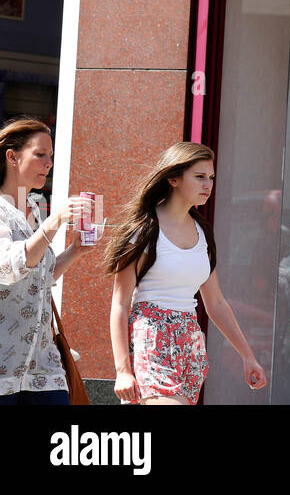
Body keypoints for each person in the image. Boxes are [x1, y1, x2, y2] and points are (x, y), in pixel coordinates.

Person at [104, 141, 267, 404]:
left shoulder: (203, 233)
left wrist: (247, 356)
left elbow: (216, 303)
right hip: (151, 338)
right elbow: (120, 304)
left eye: (211, 178)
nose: (208, 185)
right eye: (200, 177)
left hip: (190, 343)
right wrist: (122, 370)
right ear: (173, 178)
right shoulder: (144, 231)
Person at [0, 118, 95, 404]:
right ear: (12, 157)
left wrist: (75, 251)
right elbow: (8, 267)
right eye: (40, 154)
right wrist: (55, 221)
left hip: (43, 365)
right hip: (5, 363)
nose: (48, 163)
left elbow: (41, 278)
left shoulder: (33, 208)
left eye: (51, 156)